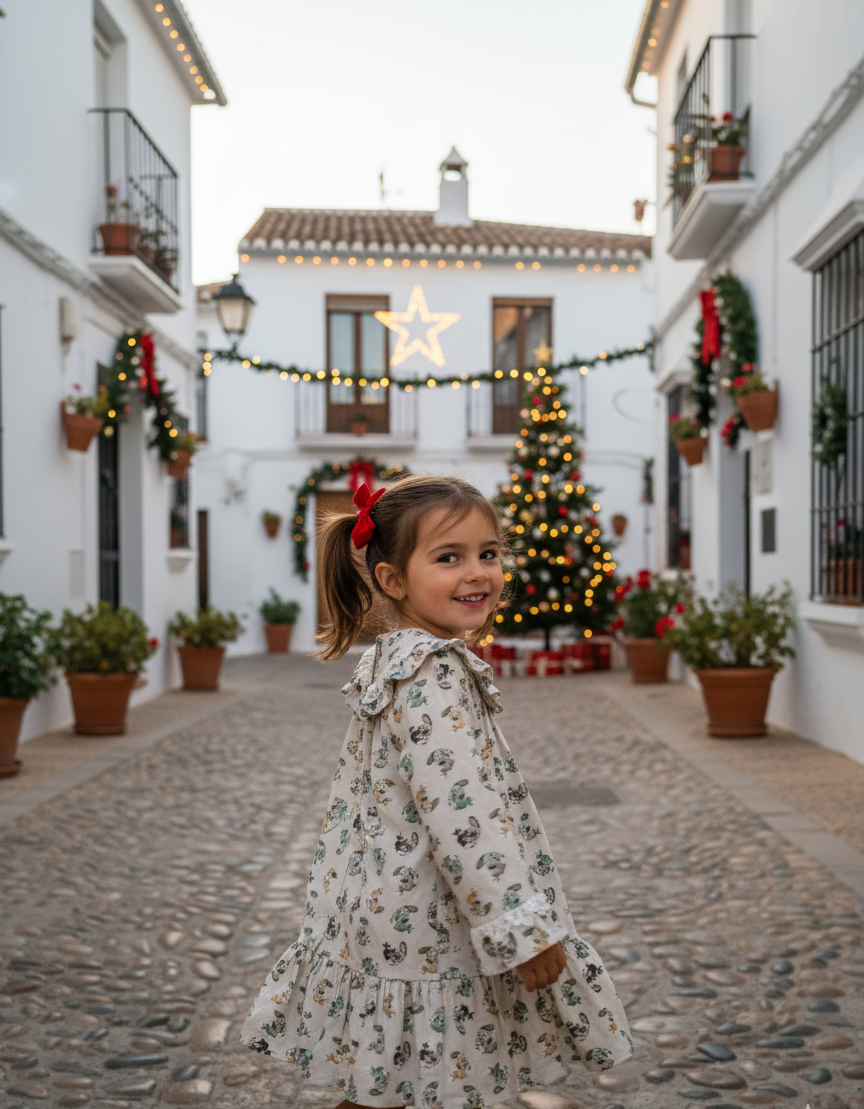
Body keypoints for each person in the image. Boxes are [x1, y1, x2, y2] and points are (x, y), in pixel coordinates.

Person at [241, 475, 634, 1109]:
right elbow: (464, 814)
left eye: (489, 552)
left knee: (383, 1082)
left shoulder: (395, 658)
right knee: (431, 1084)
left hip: (383, 917)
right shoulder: (433, 675)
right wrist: (522, 926)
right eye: (449, 557)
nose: (478, 572)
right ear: (394, 580)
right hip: (432, 933)